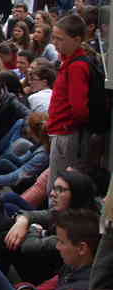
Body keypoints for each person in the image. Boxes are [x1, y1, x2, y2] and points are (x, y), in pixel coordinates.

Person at [47, 14, 92, 179]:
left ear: (76, 40)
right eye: (54, 38)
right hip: (61, 131)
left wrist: (66, 126)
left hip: (66, 134)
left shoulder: (77, 67)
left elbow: (79, 109)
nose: (55, 43)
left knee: (58, 182)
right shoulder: (68, 62)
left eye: (60, 39)